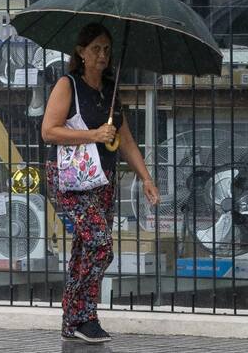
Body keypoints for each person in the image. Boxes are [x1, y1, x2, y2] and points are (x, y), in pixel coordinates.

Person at [41, 23, 160, 344]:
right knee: (100, 244)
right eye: (96, 48)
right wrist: (91, 135)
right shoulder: (68, 85)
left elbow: (125, 139)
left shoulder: (110, 90)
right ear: (81, 52)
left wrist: (145, 177)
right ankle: (80, 312)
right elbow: (49, 130)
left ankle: (78, 319)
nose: (103, 55)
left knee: (84, 248)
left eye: (107, 49)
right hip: (70, 179)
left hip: (101, 179)